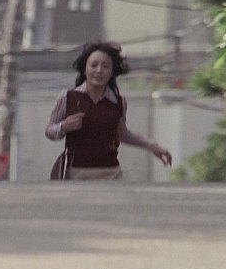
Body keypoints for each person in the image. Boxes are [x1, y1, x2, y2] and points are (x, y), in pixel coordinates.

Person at [45, 41, 172, 180]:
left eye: (105, 66)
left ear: (112, 72)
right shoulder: (68, 97)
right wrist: (63, 127)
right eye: (94, 65)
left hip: (112, 174)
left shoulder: (119, 102)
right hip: (76, 173)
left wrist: (152, 145)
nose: (99, 71)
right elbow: (49, 131)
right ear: (85, 69)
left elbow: (122, 133)